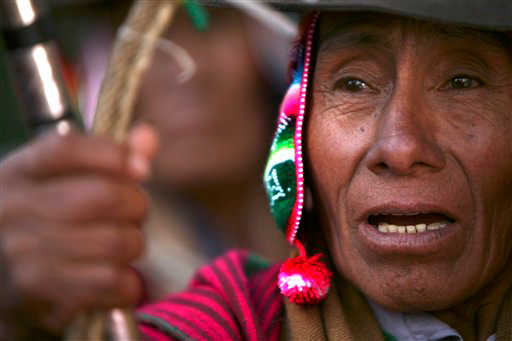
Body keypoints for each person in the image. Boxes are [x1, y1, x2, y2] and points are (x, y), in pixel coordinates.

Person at [2, 0, 512, 340]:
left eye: (463, 82)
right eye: (353, 84)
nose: (400, 146)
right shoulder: (241, 316)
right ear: (302, 130)